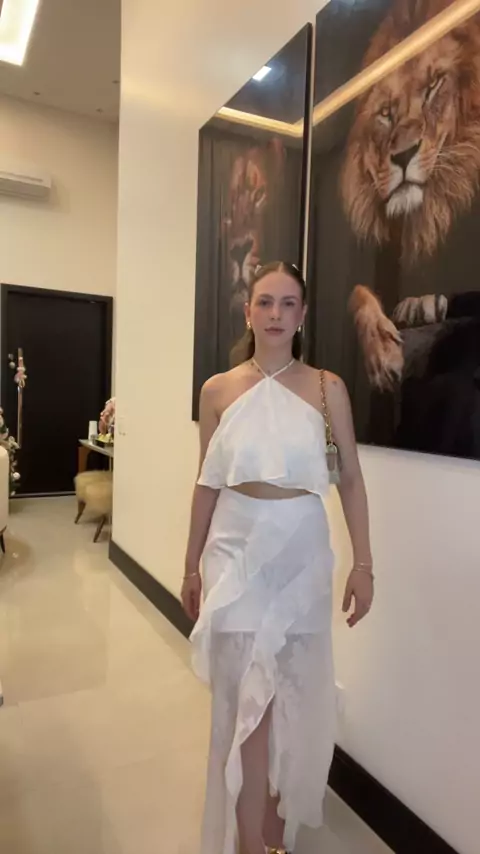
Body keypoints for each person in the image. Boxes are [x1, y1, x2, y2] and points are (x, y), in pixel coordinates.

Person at [182, 261, 374, 854]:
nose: (275, 314)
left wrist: (363, 564)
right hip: (236, 551)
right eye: (265, 302)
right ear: (248, 311)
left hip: (301, 552)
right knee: (246, 700)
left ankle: (270, 824)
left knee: (289, 695)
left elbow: (350, 480)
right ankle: (250, 839)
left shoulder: (327, 387)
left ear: (303, 315)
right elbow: (207, 483)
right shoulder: (217, 390)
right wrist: (190, 566)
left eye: (288, 303)